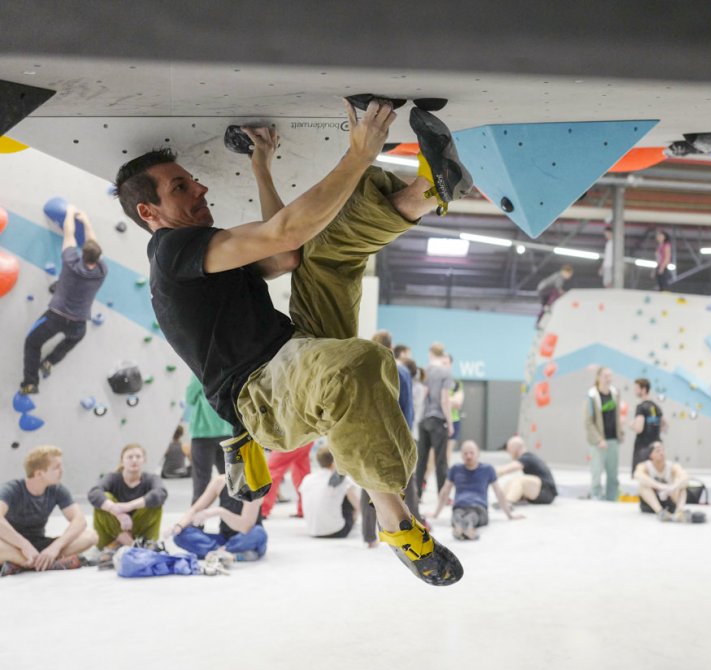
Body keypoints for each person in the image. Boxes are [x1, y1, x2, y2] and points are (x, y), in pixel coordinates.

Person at [115, 99, 468, 585]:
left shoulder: (201, 251)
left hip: (293, 348)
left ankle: (429, 189)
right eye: (181, 187)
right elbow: (284, 230)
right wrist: (359, 154)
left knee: (327, 253)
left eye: (192, 180)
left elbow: (285, 255)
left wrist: (261, 164)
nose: (200, 187)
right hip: (264, 394)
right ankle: (397, 523)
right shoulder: (172, 251)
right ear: (148, 211)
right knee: (356, 365)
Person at [20, 205, 108, 394]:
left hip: (56, 317)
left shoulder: (70, 262)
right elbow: (92, 241)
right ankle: (50, 361)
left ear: (82, 254)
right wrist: (86, 220)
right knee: (72, 341)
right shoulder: (102, 272)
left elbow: (69, 233)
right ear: (98, 257)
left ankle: (31, 382)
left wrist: (69, 212)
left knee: (32, 343)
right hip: (78, 325)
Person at [361, 331, 421, 549]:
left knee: (369, 486)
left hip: (369, 434)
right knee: (407, 485)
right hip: (398, 436)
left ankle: (369, 537)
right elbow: (407, 409)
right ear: (391, 347)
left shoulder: (365, 370)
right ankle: (414, 534)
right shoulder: (401, 370)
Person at [0, 446, 98, 575]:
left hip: (41, 545)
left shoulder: (56, 489)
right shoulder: (12, 489)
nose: (61, 471)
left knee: (90, 536)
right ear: (39, 473)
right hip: (12, 545)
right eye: (56, 467)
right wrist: (24, 545)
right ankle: (47, 564)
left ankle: (23, 564)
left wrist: (54, 548)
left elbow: (79, 520)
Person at [429, 441, 523, 540]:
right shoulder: (455, 469)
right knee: (456, 515)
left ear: (478, 454)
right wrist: (436, 513)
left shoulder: (488, 469)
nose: (468, 456)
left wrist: (510, 515)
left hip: (479, 508)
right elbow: (445, 491)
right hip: (460, 506)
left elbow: (498, 492)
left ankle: (466, 528)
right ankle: (462, 529)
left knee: (472, 516)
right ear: (461, 455)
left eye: (471, 453)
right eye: (465, 453)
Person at [88, 444, 168, 549]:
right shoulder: (112, 477)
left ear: (144, 460)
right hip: (110, 536)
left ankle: (137, 544)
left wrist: (129, 506)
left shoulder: (151, 478)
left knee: (155, 501)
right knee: (104, 499)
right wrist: (116, 511)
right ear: (122, 461)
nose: (134, 460)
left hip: (139, 533)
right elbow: (94, 493)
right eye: (130, 457)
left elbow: (161, 493)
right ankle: (128, 542)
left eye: (138, 457)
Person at [170, 474, 267, 561]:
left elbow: (245, 527)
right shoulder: (219, 482)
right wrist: (179, 526)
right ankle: (224, 553)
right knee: (181, 534)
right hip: (224, 540)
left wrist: (220, 511)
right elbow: (195, 509)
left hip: (246, 539)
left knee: (259, 533)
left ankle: (218, 552)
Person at [185, 374, 234, 504]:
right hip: (227, 431)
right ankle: (229, 521)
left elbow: (189, 398)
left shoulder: (198, 372)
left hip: (202, 433)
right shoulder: (228, 369)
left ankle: (196, 523)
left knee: (201, 479)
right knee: (230, 479)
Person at [416, 342, 454, 496]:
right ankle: (442, 495)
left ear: (430, 353)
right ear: (443, 354)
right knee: (440, 460)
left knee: (422, 460)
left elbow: (421, 395)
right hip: (438, 419)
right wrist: (450, 423)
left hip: (423, 420)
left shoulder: (424, 371)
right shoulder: (445, 372)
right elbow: (445, 400)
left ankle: (417, 493)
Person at [299, 444, 362, 539]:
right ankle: (351, 523)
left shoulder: (307, 479)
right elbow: (358, 506)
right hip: (338, 531)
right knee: (349, 496)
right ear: (334, 462)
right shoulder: (343, 480)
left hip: (313, 530)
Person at [634, 441, 705, 523]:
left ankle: (679, 512)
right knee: (643, 486)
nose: (661, 453)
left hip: (670, 501)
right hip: (651, 504)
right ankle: (660, 512)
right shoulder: (644, 466)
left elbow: (685, 477)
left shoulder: (672, 466)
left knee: (682, 485)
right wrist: (660, 486)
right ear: (651, 455)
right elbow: (638, 475)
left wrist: (672, 487)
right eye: (657, 451)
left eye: (662, 450)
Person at [584, 366, 623, 501]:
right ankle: (595, 497)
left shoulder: (615, 393)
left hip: (613, 439)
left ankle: (612, 498)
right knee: (596, 472)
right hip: (598, 441)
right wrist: (599, 439)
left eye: (610, 376)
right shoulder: (592, 395)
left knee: (613, 474)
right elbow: (588, 421)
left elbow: (617, 416)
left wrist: (620, 433)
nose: (608, 379)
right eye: (606, 376)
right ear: (599, 377)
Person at [497, 436, 558, 505]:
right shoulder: (529, 457)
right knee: (511, 481)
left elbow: (506, 469)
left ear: (513, 449)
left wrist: (489, 473)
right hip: (541, 491)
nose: (509, 454)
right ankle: (503, 500)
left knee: (519, 481)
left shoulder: (527, 458)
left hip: (546, 492)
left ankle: (508, 502)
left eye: (509, 450)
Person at [261, 443, 313, 519]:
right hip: (308, 438)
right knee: (301, 472)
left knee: (272, 471)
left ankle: (263, 510)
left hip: (291, 439)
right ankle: (304, 509)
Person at [630, 377, 666, 474]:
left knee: (641, 475)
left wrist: (632, 425)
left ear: (644, 389)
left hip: (643, 448)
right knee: (655, 475)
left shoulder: (641, 407)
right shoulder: (656, 407)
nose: (635, 391)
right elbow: (664, 424)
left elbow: (639, 429)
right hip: (656, 447)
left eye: (637, 388)